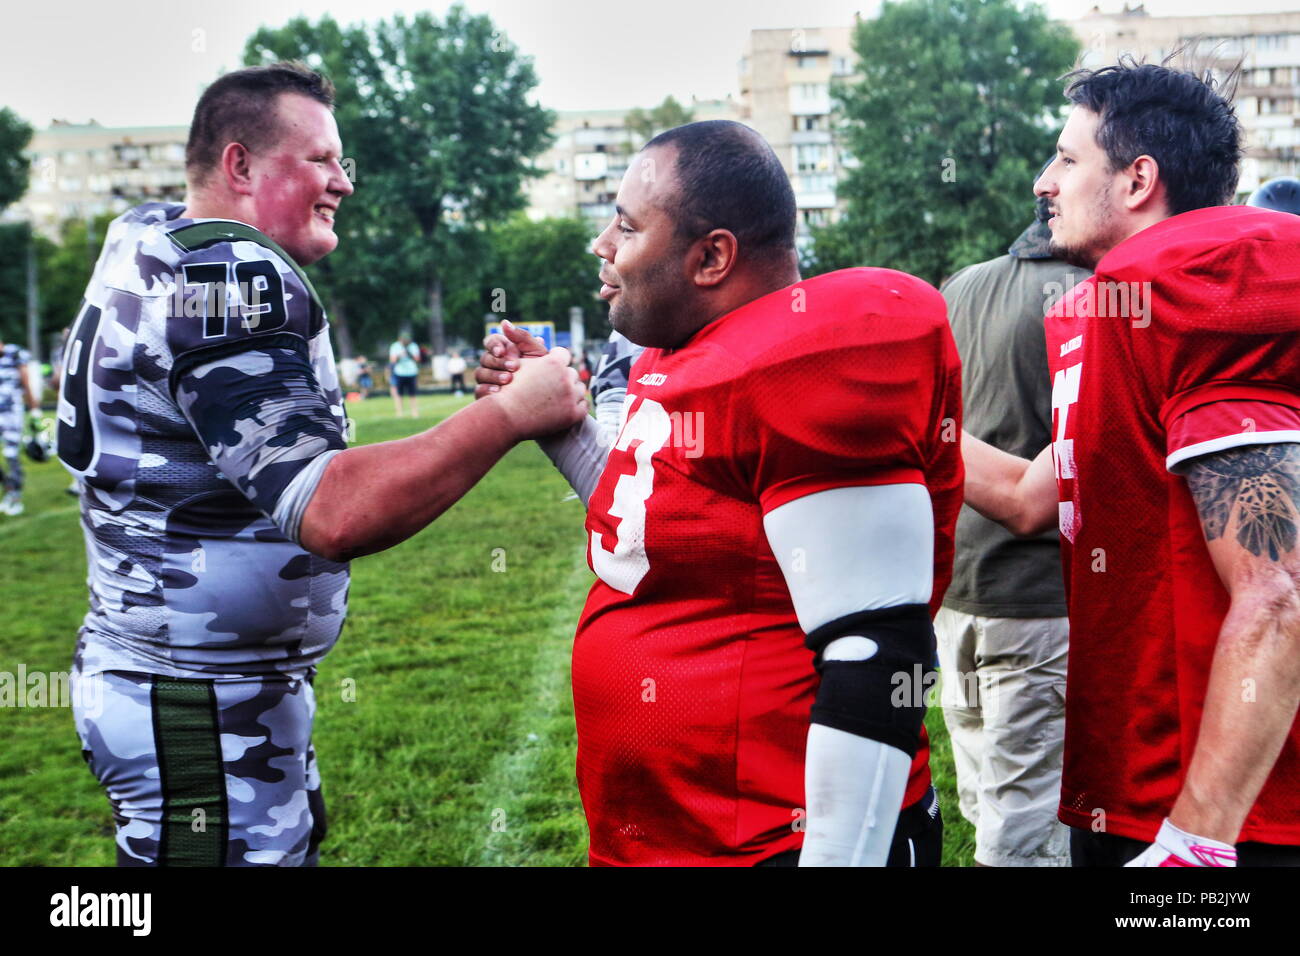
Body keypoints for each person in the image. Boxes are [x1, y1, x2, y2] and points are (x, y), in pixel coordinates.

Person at [58, 61, 585, 867]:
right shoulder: (225, 273)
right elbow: (332, 509)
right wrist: (510, 415)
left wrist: (486, 412)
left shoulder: (152, 235)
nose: (343, 181)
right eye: (321, 161)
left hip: (177, 680)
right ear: (239, 165)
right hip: (194, 700)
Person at [478, 120, 961, 866]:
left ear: (711, 256)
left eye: (627, 227)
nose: (601, 245)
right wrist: (563, 427)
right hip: (677, 831)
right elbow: (650, 517)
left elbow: (878, 652)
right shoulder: (691, 355)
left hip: (774, 836)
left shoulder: (807, 358)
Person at [962, 57, 1300, 867]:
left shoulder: (1191, 284)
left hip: (1220, 808)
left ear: (1139, 178)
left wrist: (1200, 838)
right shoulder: (1121, 299)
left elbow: (1280, 589)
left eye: (1067, 159)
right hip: (1134, 773)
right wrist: (890, 411)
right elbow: (1022, 496)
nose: (1045, 183)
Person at [933, 193, 1078, 867]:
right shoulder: (1097, 297)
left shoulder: (959, 286)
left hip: (958, 587)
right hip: (1040, 595)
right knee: (1026, 825)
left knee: (985, 794)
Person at [0, 337, 36, 516]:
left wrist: (34, 409)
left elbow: (26, 381)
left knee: (11, 454)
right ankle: (7, 488)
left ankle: (16, 497)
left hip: (12, 413)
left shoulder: (14, 353)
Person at [388, 331, 420, 417]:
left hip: (411, 372)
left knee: (412, 394)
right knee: (399, 394)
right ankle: (399, 413)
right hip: (400, 373)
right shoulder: (395, 346)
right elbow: (392, 360)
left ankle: (414, 412)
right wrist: (399, 355)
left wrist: (409, 353)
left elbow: (417, 359)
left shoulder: (413, 346)